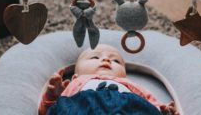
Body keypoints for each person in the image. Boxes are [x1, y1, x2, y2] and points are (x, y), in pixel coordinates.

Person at [39, 44, 179, 115]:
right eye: (95, 57)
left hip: (126, 104)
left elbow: (148, 100)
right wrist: (54, 96)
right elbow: (48, 110)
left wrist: (162, 108)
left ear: (124, 75)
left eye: (116, 61)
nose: (106, 59)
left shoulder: (128, 84)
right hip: (85, 104)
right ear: (75, 76)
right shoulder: (76, 83)